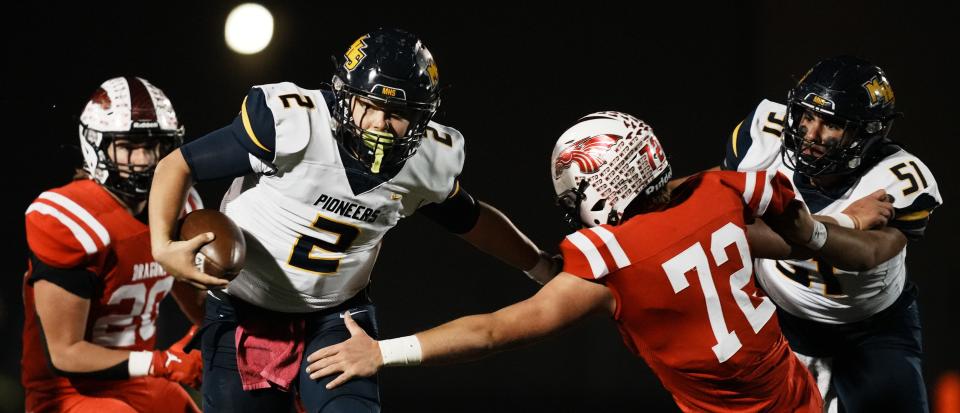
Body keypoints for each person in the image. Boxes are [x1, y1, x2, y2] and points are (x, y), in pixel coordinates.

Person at [303, 110, 902, 412]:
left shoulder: (608, 257)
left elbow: (493, 332)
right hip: (795, 394)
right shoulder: (722, 193)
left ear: (594, 184)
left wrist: (383, 350)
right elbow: (788, 233)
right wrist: (846, 222)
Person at [148, 28, 557, 412]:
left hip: (335, 318)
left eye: (399, 113)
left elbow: (471, 219)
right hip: (244, 309)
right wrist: (163, 246)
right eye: (371, 105)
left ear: (422, 118)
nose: (380, 124)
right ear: (345, 95)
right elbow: (177, 164)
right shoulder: (293, 125)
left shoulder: (425, 162)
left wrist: (538, 264)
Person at [721, 56, 942, 412]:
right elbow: (723, 221)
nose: (811, 134)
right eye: (807, 116)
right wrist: (845, 222)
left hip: (872, 329)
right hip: (777, 315)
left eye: (832, 124)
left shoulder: (897, 178)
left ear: (869, 132)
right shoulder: (763, 135)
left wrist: (813, 230)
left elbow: (867, 254)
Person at [22, 76, 205, 413]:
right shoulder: (70, 218)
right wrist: (160, 363)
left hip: (138, 381)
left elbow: (202, 308)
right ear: (96, 146)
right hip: (67, 392)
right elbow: (66, 352)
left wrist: (214, 342)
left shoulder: (178, 207)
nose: (142, 161)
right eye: (128, 146)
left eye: (153, 147)